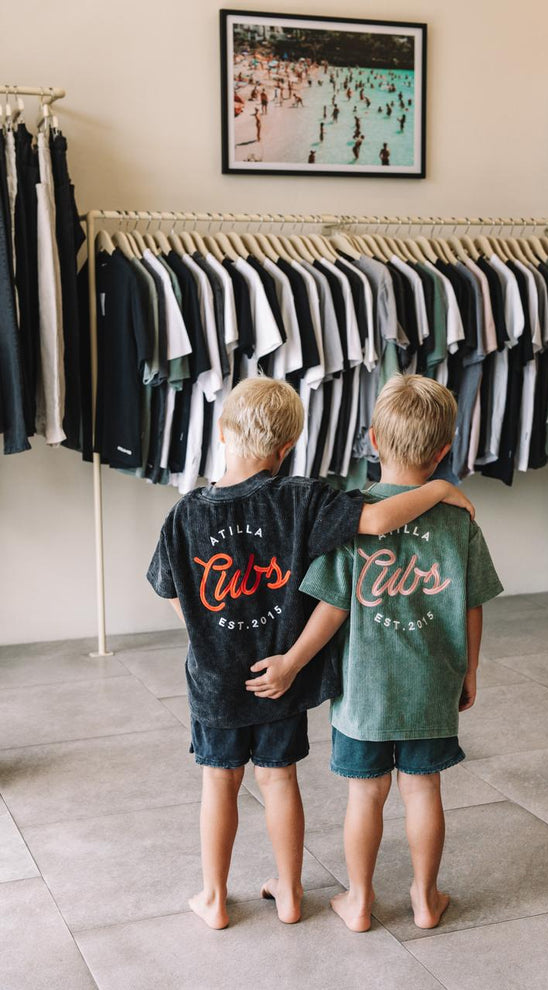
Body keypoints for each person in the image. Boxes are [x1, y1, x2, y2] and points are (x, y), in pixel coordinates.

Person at [147, 377, 475, 932]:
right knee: (278, 780)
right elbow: (374, 520)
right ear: (286, 449)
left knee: (218, 781)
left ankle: (214, 898)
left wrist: (209, 635)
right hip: (283, 673)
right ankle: (293, 894)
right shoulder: (303, 498)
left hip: (218, 681)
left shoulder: (185, 514)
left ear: (223, 433)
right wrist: (442, 490)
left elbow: (172, 590)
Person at [250, 375, 502, 934]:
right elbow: (472, 604)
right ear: (444, 450)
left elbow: (332, 608)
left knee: (365, 795)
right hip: (432, 684)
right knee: (423, 789)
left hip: (363, 688)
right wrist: (469, 668)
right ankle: (423, 899)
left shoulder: (352, 516)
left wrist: (290, 661)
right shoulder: (458, 518)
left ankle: (359, 901)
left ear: (370, 439)